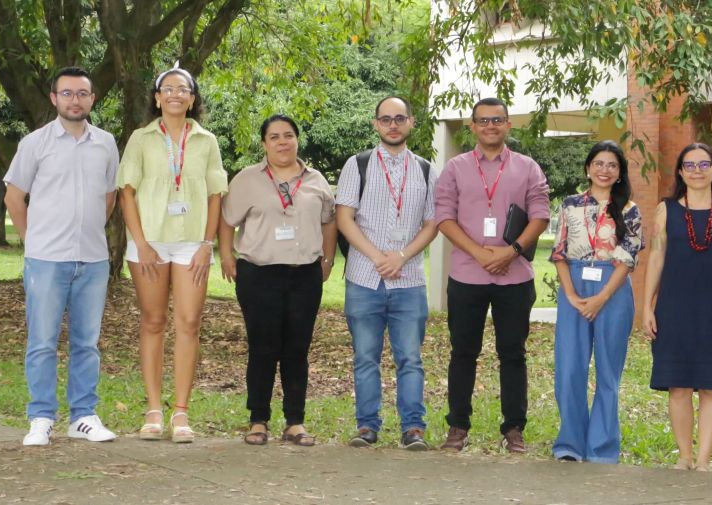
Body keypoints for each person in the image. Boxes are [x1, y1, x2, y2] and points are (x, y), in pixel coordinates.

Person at [3, 66, 120, 445]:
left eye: (82, 93)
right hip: (46, 259)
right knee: (42, 341)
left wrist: (87, 231)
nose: (75, 100)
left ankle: (83, 416)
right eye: (67, 93)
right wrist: (31, 240)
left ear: (92, 98)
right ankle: (41, 417)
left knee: (87, 341)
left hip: (93, 259)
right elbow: (14, 197)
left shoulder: (106, 143)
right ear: (54, 99)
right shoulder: (34, 143)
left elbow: (110, 197)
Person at [117, 64, 227, 443]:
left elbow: (216, 195)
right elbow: (126, 192)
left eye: (184, 89)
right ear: (157, 97)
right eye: (169, 88)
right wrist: (141, 242)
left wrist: (206, 244)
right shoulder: (141, 138)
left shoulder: (207, 141)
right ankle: (152, 410)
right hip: (149, 241)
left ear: (193, 99)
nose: (176, 94)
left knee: (189, 323)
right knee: (152, 322)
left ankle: (181, 412)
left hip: (192, 243)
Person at [434, 97, 550, 453]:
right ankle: (457, 426)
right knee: (462, 352)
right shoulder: (454, 168)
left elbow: (540, 215)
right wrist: (479, 253)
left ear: (508, 125)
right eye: (482, 121)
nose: (490, 126)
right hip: (467, 274)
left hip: (514, 276)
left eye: (497, 120)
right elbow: (443, 217)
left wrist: (510, 252)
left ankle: (514, 428)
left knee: (513, 353)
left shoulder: (527, 167)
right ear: (472, 126)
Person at [218, 114, 336, 446]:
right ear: (264, 143)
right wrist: (227, 256)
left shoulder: (316, 180)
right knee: (263, 347)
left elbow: (329, 221)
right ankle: (258, 420)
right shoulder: (247, 179)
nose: (282, 142)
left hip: (305, 275)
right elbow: (227, 221)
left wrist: (327, 258)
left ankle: (295, 422)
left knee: (297, 349)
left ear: (297, 140)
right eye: (274, 137)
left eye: (288, 135)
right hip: (259, 274)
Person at [336, 97, 438, 451]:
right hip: (365, 276)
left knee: (410, 357)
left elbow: (432, 223)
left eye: (399, 118)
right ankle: (367, 426)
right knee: (365, 356)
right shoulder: (357, 164)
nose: (392, 125)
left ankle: (413, 428)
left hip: (409, 279)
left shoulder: (426, 169)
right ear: (375, 124)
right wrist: (379, 257)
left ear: (411, 122)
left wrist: (402, 256)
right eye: (385, 119)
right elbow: (344, 218)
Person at [641, 143, 712, 472]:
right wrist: (647, 306)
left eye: (704, 164)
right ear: (681, 171)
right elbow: (656, 258)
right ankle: (684, 455)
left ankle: (703, 460)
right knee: (679, 384)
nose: (697, 171)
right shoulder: (666, 209)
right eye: (690, 165)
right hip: (675, 307)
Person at [550, 141, 642, 463]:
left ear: (619, 173)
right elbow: (559, 252)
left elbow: (628, 257)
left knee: (608, 372)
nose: (605, 170)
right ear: (588, 168)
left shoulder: (629, 209)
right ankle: (570, 445)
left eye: (612, 165)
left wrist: (601, 298)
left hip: (613, 289)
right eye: (599, 163)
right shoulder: (570, 204)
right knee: (569, 368)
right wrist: (573, 295)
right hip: (573, 284)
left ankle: (602, 448)